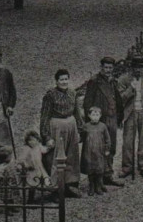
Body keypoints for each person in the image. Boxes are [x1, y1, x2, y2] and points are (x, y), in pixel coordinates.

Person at [40, 69, 84, 198]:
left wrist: (80, 129)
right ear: (57, 81)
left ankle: (69, 185)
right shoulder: (50, 95)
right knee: (57, 157)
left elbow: (77, 112)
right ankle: (55, 188)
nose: (64, 82)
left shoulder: (72, 93)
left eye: (66, 79)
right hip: (56, 126)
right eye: (61, 79)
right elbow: (45, 116)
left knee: (72, 155)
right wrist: (46, 136)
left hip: (71, 125)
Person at [83, 56, 125, 187]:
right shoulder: (94, 81)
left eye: (110, 68)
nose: (108, 70)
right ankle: (96, 178)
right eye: (105, 67)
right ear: (101, 67)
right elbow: (87, 103)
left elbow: (117, 100)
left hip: (112, 118)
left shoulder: (113, 81)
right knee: (97, 149)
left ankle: (108, 174)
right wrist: (89, 122)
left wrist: (119, 116)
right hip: (100, 120)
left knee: (111, 147)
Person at [118, 55, 143, 179]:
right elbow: (120, 99)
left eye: (140, 67)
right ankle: (127, 168)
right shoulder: (124, 79)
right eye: (135, 67)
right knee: (128, 142)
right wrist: (131, 88)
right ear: (131, 67)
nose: (138, 70)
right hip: (130, 114)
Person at [81, 106, 111, 196]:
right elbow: (82, 138)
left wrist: (107, 149)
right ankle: (91, 186)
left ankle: (98, 186)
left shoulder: (103, 126)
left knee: (99, 169)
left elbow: (107, 139)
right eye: (93, 115)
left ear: (100, 116)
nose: (95, 117)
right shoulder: (86, 126)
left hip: (99, 152)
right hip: (88, 152)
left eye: (97, 115)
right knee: (90, 169)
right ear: (89, 116)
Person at [19, 131, 52, 202]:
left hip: (39, 166)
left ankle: (48, 191)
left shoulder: (38, 146)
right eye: (29, 140)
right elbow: (22, 159)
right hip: (31, 168)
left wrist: (49, 147)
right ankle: (30, 200)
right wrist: (26, 165)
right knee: (32, 184)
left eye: (34, 140)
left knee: (45, 178)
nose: (32, 142)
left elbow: (44, 150)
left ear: (37, 140)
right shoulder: (26, 149)